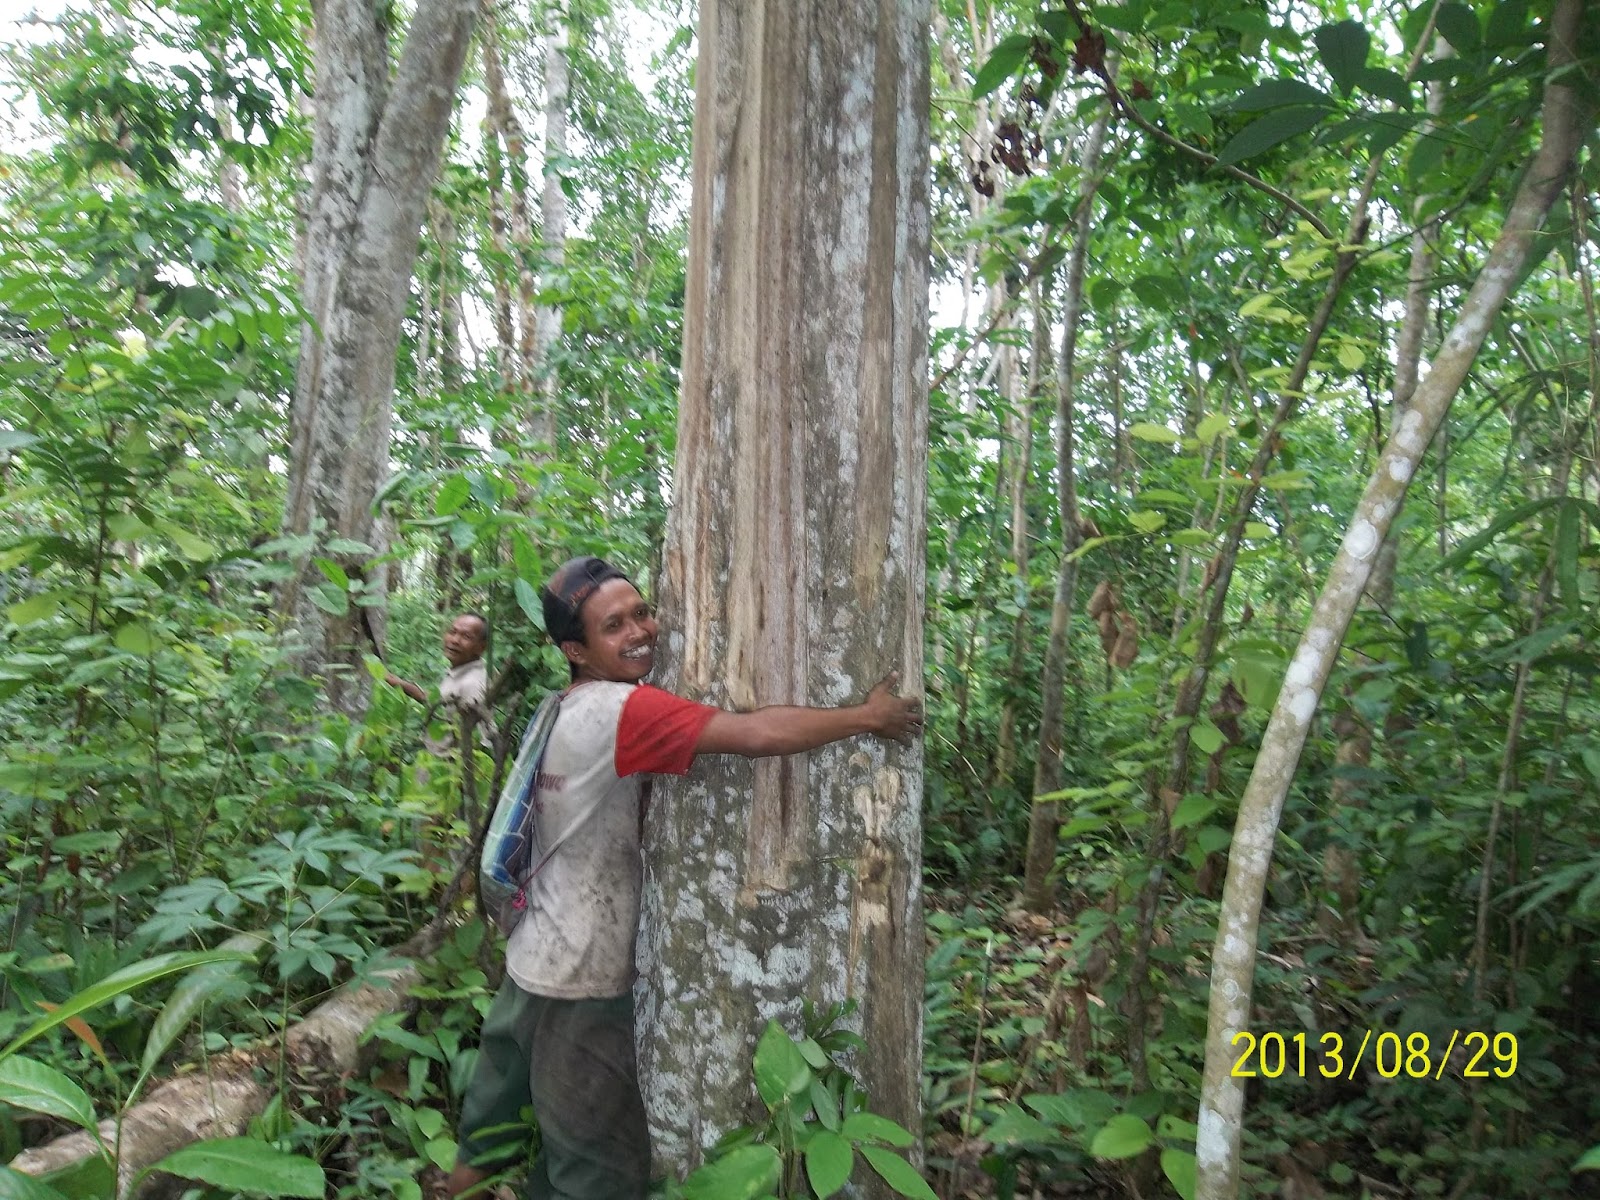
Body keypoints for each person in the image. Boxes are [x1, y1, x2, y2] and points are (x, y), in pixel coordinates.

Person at [444, 556, 920, 1200]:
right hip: (580, 978)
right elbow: (754, 734)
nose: (640, 630)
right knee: (596, 1170)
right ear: (576, 650)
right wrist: (866, 718)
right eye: (614, 626)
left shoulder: (565, 707)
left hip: (531, 958)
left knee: (490, 1125)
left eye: (642, 611)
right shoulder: (621, 712)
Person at [386, 612, 496, 737]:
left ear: (481, 647)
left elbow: (478, 740)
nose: (455, 640)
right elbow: (442, 701)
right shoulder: (461, 670)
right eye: (452, 632)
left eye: (466, 636)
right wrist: (400, 684)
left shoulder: (472, 684)